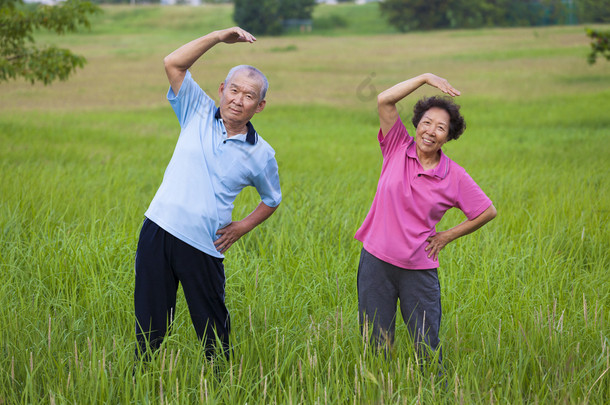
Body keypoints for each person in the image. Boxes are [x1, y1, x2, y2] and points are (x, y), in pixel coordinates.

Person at [134, 27, 282, 360]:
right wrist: (217, 37)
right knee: (149, 327)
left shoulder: (261, 154)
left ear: (259, 106)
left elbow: (272, 199)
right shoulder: (196, 111)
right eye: (234, 90)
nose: (238, 100)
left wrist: (243, 226)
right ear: (221, 90)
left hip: (204, 245)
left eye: (248, 96)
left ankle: (221, 386)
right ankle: (140, 381)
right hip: (158, 230)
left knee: (213, 332)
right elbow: (173, 63)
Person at [354, 73, 497, 364]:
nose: (431, 131)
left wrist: (446, 236)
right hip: (375, 263)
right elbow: (385, 99)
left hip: (417, 270)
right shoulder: (396, 146)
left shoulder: (453, 175)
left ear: (449, 136)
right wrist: (425, 78)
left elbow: (486, 211)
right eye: (427, 123)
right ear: (417, 124)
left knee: (427, 347)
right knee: (375, 346)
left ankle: (437, 392)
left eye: (441, 127)